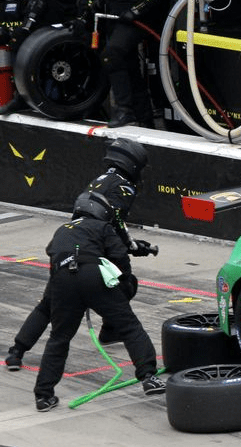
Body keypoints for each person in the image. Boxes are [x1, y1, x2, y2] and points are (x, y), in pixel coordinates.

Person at [5, 138, 154, 372]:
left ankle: (16, 352)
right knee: (125, 284)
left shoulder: (100, 179)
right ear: (133, 164)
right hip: (93, 245)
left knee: (47, 304)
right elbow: (114, 220)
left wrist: (131, 243)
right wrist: (129, 245)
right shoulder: (125, 186)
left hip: (69, 240)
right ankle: (112, 331)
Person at [32, 190, 165, 411]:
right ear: (101, 211)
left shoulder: (61, 229)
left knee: (59, 338)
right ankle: (149, 377)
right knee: (129, 326)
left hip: (62, 279)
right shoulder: (103, 227)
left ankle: (43, 396)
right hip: (92, 275)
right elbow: (120, 255)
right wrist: (125, 285)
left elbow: (51, 253)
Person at [76, 0, 171, 127]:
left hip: (142, 16)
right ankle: (144, 117)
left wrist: (137, 9)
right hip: (113, 13)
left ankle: (124, 111)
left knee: (112, 55)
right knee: (128, 63)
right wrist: (84, 13)